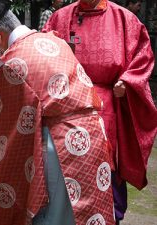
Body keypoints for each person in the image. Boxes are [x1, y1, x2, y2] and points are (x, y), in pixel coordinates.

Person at [0, 0, 114, 224]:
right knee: (85, 211)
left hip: (60, 147)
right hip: (92, 136)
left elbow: (8, 131)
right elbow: (47, 85)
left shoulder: (11, 62)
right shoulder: (53, 39)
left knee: (55, 215)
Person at [42, 0, 157, 224]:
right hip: (67, 103)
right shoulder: (60, 18)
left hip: (106, 105)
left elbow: (143, 56)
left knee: (105, 164)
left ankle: (111, 216)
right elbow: (41, 53)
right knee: (64, 163)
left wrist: (128, 80)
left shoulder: (125, 20)